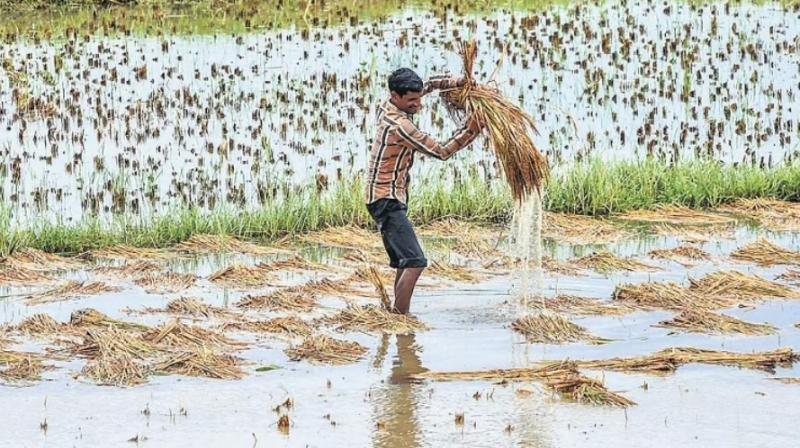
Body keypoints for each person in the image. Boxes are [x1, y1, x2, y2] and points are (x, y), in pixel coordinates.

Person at [365, 68, 483, 315]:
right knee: (416, 262)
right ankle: (401, 320)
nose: (418, 104)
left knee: (404, 262)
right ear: (395, 96)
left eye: (418, 98)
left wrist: (456, 82)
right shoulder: (400, 126)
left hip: (386, 196)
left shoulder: (388, 106)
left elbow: (427, 85)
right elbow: (441, 151)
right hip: (386, 199)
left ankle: (396, 314)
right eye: (412, 101)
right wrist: (472, 128)